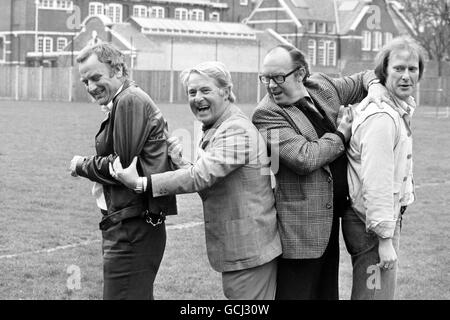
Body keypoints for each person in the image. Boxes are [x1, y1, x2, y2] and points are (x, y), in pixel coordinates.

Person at [109, 61, 282, 300]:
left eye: (205, 90)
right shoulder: (219, 125)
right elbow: (210, 174)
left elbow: (201, 176)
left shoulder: (236, 129)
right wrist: (179, 161)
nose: (197, 98)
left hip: (250, 249)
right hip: (243, 250)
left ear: (226, 90)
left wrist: (140, 183)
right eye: (192, 92)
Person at [252, 44, 391, 300]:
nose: (271, 85)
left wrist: (374, 87)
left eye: (278, 77)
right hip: (300, 230)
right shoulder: (266, 114)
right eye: (266, 78)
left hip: (329, 221)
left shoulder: (322, 87)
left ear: (301, 73)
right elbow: (304, 157)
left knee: (326, 294)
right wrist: (341, 134)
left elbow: (364, 77)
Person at [69, 43, 177, 300]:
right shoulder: (126, 99)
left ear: (118, 69)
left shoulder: (129, 100)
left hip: (132, 227)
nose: (91, 87)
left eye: (96, 77)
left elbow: (122, 165)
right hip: (130, 223)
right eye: (85, 81)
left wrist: (81, 165)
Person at [343, 36, 425, 299]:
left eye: (412, 69)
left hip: (377, 223)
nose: (406, 76)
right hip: (372, 227)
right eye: (398, 69)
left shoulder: (396, 108)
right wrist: (385, 240)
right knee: (374, 296)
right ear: (384, 72)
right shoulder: (382, 118)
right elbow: (376, 182)